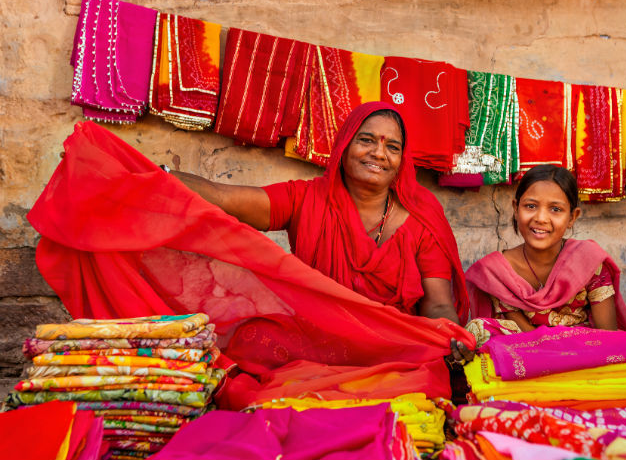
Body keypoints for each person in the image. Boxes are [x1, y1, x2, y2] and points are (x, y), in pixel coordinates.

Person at [166, 101, 474, 362]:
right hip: (318, 343)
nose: (379, 154)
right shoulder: (307, 199)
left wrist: (447, 338)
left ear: (402, 160)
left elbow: (437, 303)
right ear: (344, 145)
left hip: (391, 346)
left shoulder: (421, 215)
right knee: (248, 344)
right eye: (366, 140)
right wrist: (152, 175)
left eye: (392, 146)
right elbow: (224, 198)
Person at [464, 164, 626, 347]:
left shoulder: (588, 261)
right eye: (530, 206)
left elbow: (607, 336)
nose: (541, 218)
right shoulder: (497, 271)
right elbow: (524, 334)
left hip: (586, 353)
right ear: (516, 209)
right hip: (528, 354)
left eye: (555, 209)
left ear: (572, 217)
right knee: (479, 328)